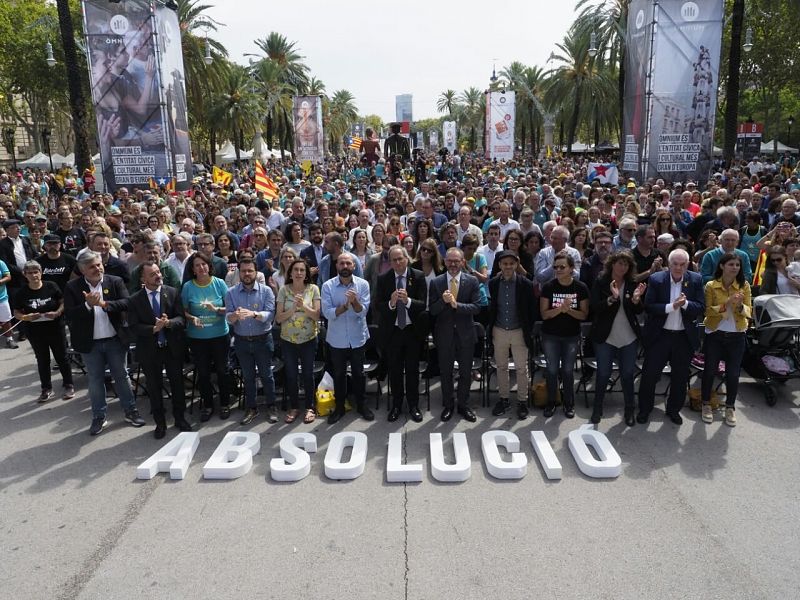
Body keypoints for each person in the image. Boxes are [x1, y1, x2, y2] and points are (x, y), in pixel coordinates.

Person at [64, 250, 145, 436]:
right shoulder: (72, 287)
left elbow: (126, 303)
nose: (97, 268)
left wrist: (104, 305)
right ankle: (99, 416)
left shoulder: (114, 281)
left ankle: (130, 411)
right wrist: (87, 306)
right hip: (89, 344)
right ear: (82, 270)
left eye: (99, 264)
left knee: (122, 377)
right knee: (95, 380)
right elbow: (69, 315)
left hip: (115, 340)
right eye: (92, 266)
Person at [637, 249, 705, 425]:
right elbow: (650, 306)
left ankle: (674, 410)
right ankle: (645, 409)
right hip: (660, 336)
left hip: (683, 337)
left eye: (682, 264)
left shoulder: (696, 279)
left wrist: (685, 304)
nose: (678, 268)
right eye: (675, 264)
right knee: (650, 375)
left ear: (688, 265)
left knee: (680, 377)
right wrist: (671, 306)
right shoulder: (657, 279)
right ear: (669, 263)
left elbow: (700, 307)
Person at [126, 261, 192, 438]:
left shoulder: (171, 292)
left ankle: (180, 418)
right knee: (154, 388)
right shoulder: (135, 299)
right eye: (152, 274)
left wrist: (169, 323)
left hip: (171, 348)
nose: (158, 276)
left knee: (177, 385)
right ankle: (160, 423)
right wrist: (152, 329)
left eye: (158, 272)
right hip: (150, 350)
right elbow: (133, 326)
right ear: (143, 278)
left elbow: (181, 319)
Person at [588, 251, 646, 426]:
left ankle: (629, 410)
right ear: (612, 264)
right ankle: (597, 409)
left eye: (626, 265)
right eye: (620, 263)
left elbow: (638, 311)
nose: (623, 267)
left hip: (628, 336)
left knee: (628, 374)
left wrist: (636, 300)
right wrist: (611, 299)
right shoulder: (601, 281)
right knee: (603, 373)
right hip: (606, 336)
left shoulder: (632, 283)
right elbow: (594, 308)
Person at [376, 245, 428, 422]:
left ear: (407, 259)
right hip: (393, 332)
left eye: (400, 259)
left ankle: (413, 405)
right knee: (395, 371)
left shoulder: (418, 276)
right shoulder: (384, 279)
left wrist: (408, 301)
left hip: (412, 331)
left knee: (412, 370)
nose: (397, 263)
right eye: (394, 260)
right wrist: (391, 304)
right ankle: (397, 405)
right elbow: (378, 306)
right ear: (390, 262)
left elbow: (423, 304)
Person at [429, 247, 481, 422]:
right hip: (444, 335)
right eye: (449, 261)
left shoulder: (472, 281)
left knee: (466, 372)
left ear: (462, 262)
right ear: (444, 262)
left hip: (466, 334)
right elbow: (433, 311)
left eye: (456, 261)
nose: (452, 264)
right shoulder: (436, 283)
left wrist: (456, 304)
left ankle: (463, 405)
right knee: (446, 372)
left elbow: (477, 307)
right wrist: (443, 303)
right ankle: (449, 405)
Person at [321, 252, 374, 424]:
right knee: (339, 374)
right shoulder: (328, 286)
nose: (345, 266)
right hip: (337, 339)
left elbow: (364, 312)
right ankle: (339, 407)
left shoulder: (363, 284)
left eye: (348, 263)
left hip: (358, 337)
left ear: (354, 266)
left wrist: (355, 302)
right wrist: (344, 307)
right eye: (341, 263)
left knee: (359, 373)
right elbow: (327, 313)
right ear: (337, 266)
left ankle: (362, 405)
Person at [225, 258, 279, 425]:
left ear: (256, 273)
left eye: (250, 271)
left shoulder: (266, 291)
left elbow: (270, 314)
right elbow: (228, 316)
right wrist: (233, 316)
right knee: (248, 376)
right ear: (238, 272)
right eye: (243, 271)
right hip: (241, 341)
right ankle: (252, 408)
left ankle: (271, 405)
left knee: (266, 375)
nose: (247, 274)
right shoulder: (231, 293)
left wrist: (254, 314)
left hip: (262, 340)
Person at [701, 252, 752, 427]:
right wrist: (728, 303)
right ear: (722, 266)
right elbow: (708, 311)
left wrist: (739, 307)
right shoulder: (711, 285)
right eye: (731, 264)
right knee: (709, 370)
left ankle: (730, 407)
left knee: (733, 374)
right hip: (715, 334)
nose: (735, 268)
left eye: (737, 265)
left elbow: (749, 312)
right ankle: (706, 403)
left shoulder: (744, 285)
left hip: (737, 335)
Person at [12, 260, 74, 401]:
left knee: (62, 357)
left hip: (55, 327)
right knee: (42, 359)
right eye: (30, 273)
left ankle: (68, 385)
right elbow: (16, 312)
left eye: (36, 272)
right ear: (25, 274)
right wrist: (27, 317)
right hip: (34, 331)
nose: (34, 275)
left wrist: (57, 312)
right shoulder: (21, 292)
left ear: (41, 272)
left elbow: (63, 302)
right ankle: (46, 388)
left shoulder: (51, 286)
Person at [539, 251, 590, 419]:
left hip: (571, 336)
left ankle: (569, 403)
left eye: (562, 267)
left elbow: (583, 315)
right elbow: (545, 315)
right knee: (552, 370)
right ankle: (551, 402)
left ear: (571, 268)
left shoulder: (581, 287)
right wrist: (560, 309)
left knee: (568, 371)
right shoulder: (548, 287)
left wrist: (569, 311)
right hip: (550, 336)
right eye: (555, 267)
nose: (558, 270)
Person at [181, 253, 231, 422]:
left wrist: (216, 310)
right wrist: (191, 318)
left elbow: (230, 309)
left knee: (223, 371)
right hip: (197, 338)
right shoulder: (188, 286)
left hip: (219, 335)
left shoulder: (220, 283)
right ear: (192, 270)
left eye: (204, 264)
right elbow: (183, 311)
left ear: (209, 266)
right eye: (197, 265)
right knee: (203, 373)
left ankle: (224, 403)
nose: (201, 268)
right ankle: (208, 405)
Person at [488, 251, 537, 420]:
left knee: (521, 368)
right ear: (500, 265)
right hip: (499, 330)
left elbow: (532, 310)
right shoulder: (493, 283)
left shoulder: (526, 284)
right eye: (504, 263)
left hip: (519, 331)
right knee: (501, 367)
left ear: (516, 264)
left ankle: (522, 401)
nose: (508, 267)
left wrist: (528, 330)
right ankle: (504, 399)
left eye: (511, 263)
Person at [275, 259, 321, 424]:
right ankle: (294, 407)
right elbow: (279, 318)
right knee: (291, 375)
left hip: (308, 339)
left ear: (306, 273)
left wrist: (304, 306)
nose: (299, 273)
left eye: (302, 270)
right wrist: (293, 308)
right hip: (288, 340)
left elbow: (316, 315)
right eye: (296, 270)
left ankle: (310, 407)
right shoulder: (283, 290)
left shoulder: (313, 289)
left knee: (308, 374)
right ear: (291, 273)